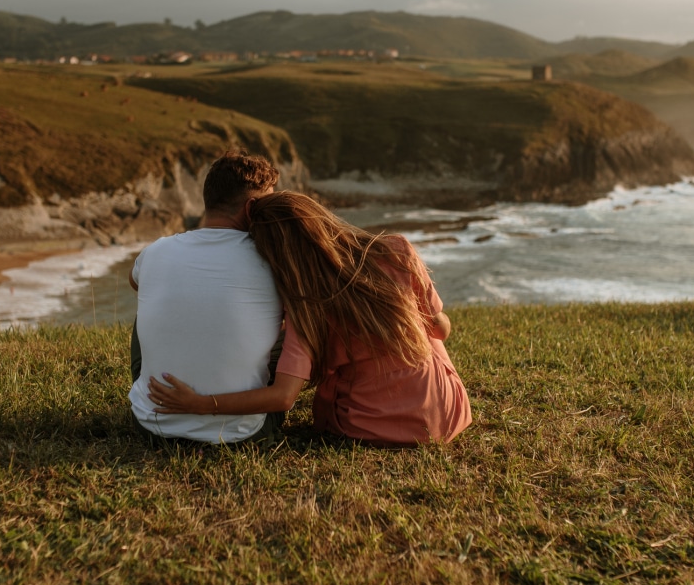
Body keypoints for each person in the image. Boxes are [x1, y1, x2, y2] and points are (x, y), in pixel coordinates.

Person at [147, 191, 471, 446]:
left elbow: (283, 396)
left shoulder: (305, 305)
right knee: (421, 333)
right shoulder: (396, 250)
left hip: (366, 427)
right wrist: (403, 317)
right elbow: (440, 329)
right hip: (446, 417)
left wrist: (203, 404)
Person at [126, 151, 286, 445]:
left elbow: (135, 282)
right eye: (269, 204)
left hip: (152, 425)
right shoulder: (274, 261)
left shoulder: (156, 251)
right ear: (251, 209)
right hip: (242, 433)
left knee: (152, 299)